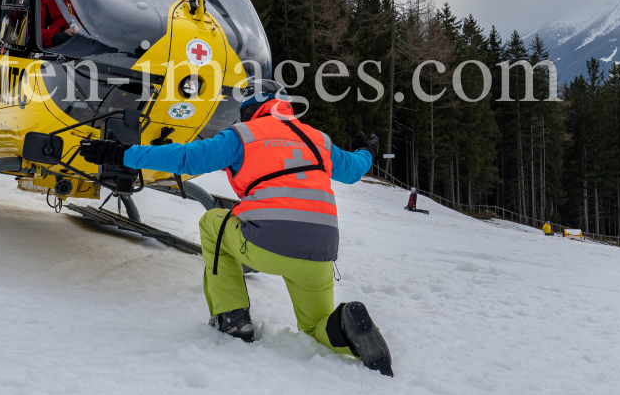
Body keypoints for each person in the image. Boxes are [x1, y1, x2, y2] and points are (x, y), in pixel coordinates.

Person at [79, 80, 394, 376]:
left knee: (212, 222)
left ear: (251, 107)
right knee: (315, 327)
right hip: (320, 252)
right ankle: (345, 326)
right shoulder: (317, 139)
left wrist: (121, 153)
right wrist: (367, 149)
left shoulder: (244, 135)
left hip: (267, 241)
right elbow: (354, 170)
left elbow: (188, 158)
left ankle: (233, 319)